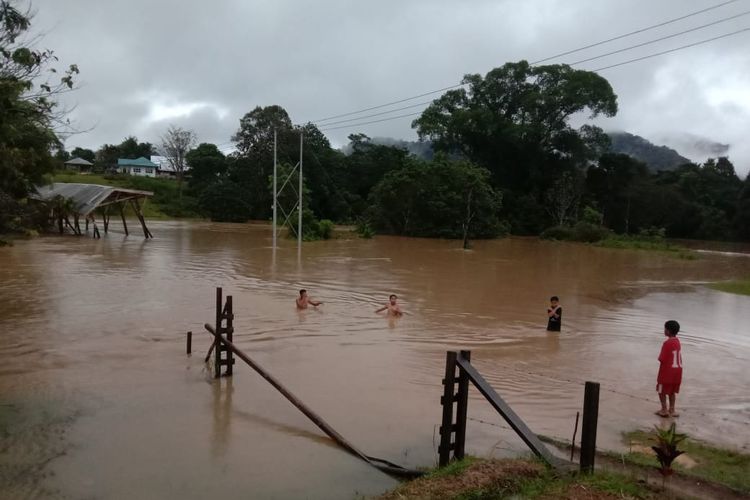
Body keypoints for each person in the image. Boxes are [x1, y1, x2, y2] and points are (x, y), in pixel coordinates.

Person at [656, 320, 683, 418]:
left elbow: (661, 359)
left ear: (668, 330)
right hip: (678, 372)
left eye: (665, 328)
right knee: (671, 391)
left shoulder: (667, 343)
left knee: (661, 390)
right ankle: (672, 409)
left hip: (668, 372)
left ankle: (664, 410)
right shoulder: (677, 342)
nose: (664, 330)